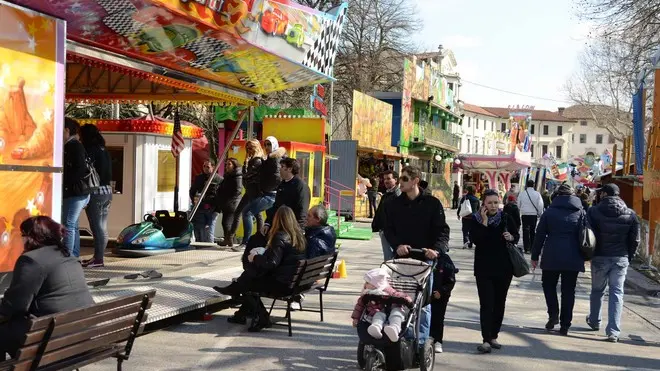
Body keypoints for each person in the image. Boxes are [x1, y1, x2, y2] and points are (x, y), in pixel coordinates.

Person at [0, 216, 94, 361]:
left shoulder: (31, 260)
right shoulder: (69, 256)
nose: (20, 239)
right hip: (83, 334)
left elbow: (15, 305)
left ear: (30, 237)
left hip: (50, 339)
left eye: (22, 235)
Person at [383, 165, 450, 352]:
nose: (400, 182)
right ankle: (401, 339)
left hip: (424, 261)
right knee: (399, 301)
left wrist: (436, 250)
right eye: (401, 178)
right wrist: (397, 244)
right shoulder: (394, 204)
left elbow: (443, 231)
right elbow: (388, 229)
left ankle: (420, 343)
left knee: (423, 304)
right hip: (401, 261)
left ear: (415, 181)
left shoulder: (432, 204)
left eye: (404, 179)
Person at [214, 206, 307, 332]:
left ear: (277, 220)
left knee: (247, 283)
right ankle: (241, 311)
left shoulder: (280, 236)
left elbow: (272, 263)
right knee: (250, 277)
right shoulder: (298, 236)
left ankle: (262, 317)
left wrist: (255, 257)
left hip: (283, 284)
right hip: (294, 282)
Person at [586, 184, 640, 343]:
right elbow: (635, 240)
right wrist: (628, 257)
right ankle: (613, 332)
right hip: (621, 258)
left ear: (603, 194)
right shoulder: (630, 214)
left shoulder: (593, 211)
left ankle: (595, 321)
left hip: (599, 257)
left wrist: (589, 254)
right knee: (617, 293)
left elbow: (587, 235)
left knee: (597, 290)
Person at [531, 184, 584, 336]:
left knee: (548, 285)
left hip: (551, 254)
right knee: (568, 291)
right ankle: (565, 325)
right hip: (573, 256)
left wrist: (535, 256)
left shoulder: (549, 212)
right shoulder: (580, 212)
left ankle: (553, 314)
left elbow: (539, 235)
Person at [470, 189, 519, 354]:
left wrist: (511, 237)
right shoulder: (476, 219)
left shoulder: (505, 218)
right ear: (483, 204)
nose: (493, 206)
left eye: (495, 202)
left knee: (499, 303)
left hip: (504, 268)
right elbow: (477, 240)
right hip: (483, 268)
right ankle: (485, 339)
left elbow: (517, 235)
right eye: (489, 203)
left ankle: (494, 335)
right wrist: (484, 221)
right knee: (486, 304)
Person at [241, 136, 285, 244]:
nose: (266, 147)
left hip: (270, 194)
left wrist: (263, 188)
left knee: (247, 212)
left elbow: (275, 178)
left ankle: (246, 242)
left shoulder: (274, 159)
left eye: (269, 144)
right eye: (265, 144)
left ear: (274, 145)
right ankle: (263, 242)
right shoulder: (269, 158)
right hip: (268, 193)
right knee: (269, 220)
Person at [79, 124, 112, 268]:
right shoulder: (103, 150)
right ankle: (98, 258)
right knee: (102, 226)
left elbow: (85, 170)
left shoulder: (90, 150)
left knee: (96, 227)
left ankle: (98, 259)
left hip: (95, 192)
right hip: (107, 191)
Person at [351, 267, 412, 342]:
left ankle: (394, 328)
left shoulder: (388, 291)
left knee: (397, 313)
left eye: (367, 283)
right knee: (378, 314)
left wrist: (406, 298)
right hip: (378, 313)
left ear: (375, 285)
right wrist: (356, 318)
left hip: (392, 311)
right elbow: (359, 306)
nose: (364, 285)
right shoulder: (367, 294)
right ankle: (375, 327)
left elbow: (397, 294)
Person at [62, 118, 91, 257]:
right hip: (80, 193)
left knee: (68, 225)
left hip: (75, 193)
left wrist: (64, 182)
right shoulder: (75, 145)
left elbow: (79, 169)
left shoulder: (73, 146)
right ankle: (74, 256)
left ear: (67, 130)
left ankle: (68, 257)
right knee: (73, 225)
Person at [228, 140, 264, 247]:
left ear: (256, 147)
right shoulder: (250, 159)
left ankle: (252, 240)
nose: (248, 150)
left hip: (254, 190)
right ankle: (231, 236)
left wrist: (246, 170)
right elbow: (245, 173)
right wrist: (245, 164)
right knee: (241, 211)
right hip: (249, 189)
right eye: (247, 148)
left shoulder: (257, 160)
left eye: (250, 147)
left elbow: (248, 174)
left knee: (255, 214)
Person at [263, 157, 310, 235]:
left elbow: (302, 210)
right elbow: (276, 206)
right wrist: (268, 223)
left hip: (292, 228)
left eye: (282, 167)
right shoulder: (282, 184)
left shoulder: (300, 186)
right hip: (279, 225)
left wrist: (299, 230)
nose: (279, 169)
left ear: (289, 169)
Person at [430, 252, 458, 353]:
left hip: (439, 295)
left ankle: (438, 340)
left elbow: (451, 280)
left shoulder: (444, 259)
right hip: (421, 294)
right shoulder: (419, 255)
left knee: (438, 317)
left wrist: (442, 291)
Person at [190, 160, 222, 243]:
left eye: (207, 166)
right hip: (200, 208)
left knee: (209, 231)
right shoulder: (199, 178)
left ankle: (209, 249)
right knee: (199, 230)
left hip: (212, 209)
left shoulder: (219, 179)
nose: (205, 168)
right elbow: (192, 191)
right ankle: (199, 247)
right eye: (204, 166)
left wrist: (218, 209)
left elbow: (222, 196)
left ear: (213, 167)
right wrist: (194, 201)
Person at [371, 170, 401, 260]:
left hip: (390, 231)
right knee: (388, 256)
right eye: (384, 179)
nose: (386, 181)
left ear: (395, 180)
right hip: (384, 229)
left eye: (389, 178)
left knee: (390, 258)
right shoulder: (387, 194)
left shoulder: (397, 194)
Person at [215, 158, 243, 247]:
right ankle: (227, 239)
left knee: (227, 222)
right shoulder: (228, 175)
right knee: (225, 222)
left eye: (229, 164)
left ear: (234, 165)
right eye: (226, 164)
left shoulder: (237, 175)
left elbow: (238, 190)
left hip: (233, 202)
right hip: (226, 202)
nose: (227, 166)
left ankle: (229, 240)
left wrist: (227, 197)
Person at [517, 180, 544, 254]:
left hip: (525, 214)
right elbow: (540, 204)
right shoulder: (537, 194)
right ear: (534, 185)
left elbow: (518, 204)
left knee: (525, 231)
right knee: (532, 231)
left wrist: (521, 210)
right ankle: (532, 247)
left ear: (526, 185)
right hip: (533, 215)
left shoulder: (522, 194)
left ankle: (526, 248)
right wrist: (539, 213)